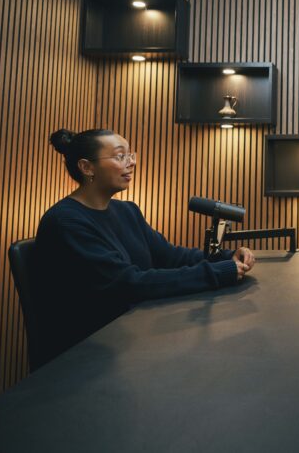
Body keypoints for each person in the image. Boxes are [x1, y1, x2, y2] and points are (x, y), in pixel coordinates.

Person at [35, 128, 254, 362]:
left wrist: (226, 257)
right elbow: (130, 284)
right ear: (87, 167)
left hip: (133, 334)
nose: (131, 163)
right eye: (120, 156)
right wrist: (217, 273)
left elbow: (170, 256)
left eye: (131, 155)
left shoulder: (127, 211)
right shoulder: (66, 222)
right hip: (88, 355)